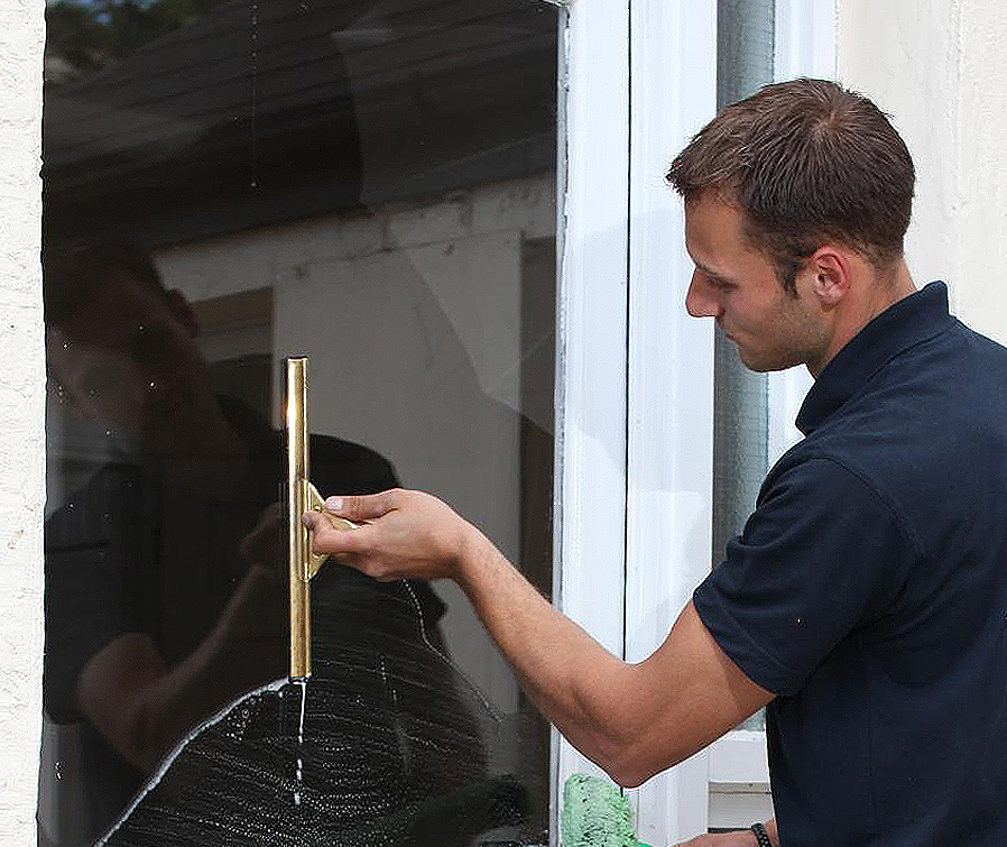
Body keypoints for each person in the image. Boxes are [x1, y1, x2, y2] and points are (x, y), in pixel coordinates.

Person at [304, 78, 1007, 847]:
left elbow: (629, 735)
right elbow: (954, 710)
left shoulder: (852, 480)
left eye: (720, 278)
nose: (695, 302)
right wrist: (776, 838)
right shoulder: (985, 393)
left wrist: (463, 553)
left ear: (826, 276)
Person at [42, 245, 485, 843]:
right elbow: (153, 737)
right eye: (103, 380)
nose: (148, 390)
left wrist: (462, 821)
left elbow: (428, 695)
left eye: (150, 347)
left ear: (184, 316)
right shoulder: (82, 537)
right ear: (74, 403)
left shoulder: (338, 471)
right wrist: (273, 584)